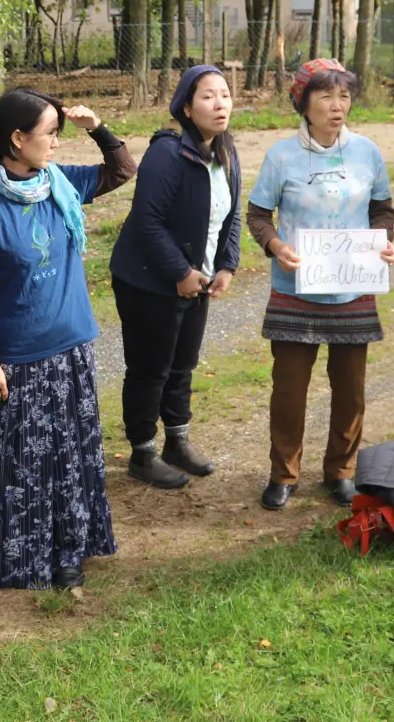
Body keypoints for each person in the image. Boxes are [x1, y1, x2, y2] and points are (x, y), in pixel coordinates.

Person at [0, 87, 136, 590]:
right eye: (49, 133)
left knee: (70, 456)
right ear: (17, 139)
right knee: (14, 464)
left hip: (71, 348)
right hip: (15, 360)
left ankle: (68, 550)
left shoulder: (59, 183)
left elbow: (122, 171)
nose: (56, 143)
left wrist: (97, 128)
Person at [246, 59, 394, 510]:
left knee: (350, 388)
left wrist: (383, 242)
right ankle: (283, 473)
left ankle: (341, 471)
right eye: (326, 97)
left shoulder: (367, 152)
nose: (337, 106)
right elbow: (256, 215)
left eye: (344, 96)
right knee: (289, 389)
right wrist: (274, 245)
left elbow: (382, 209)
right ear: (303, 103)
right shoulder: (281, 156)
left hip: (352, 288)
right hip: (296, 290)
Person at [109, 64, 241, 489]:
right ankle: (142, 452)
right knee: (151, 368)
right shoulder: (167, 154)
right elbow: (147, 222)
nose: (219, 103)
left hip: (195, 280)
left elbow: (231, 214)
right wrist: (180, 273)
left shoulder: (225, 150)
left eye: (224, 94)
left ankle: (176, 441)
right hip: (148, 281)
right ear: (186, 106)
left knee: (183, 364)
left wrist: (226, 265)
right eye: (207, 96)